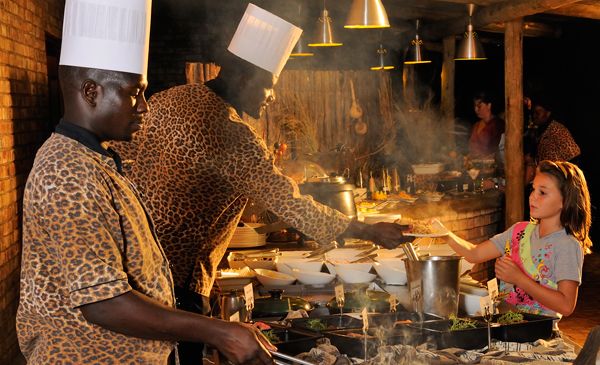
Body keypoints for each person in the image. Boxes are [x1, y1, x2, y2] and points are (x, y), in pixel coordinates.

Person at [112, 4, 412, 363]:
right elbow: (287, 200)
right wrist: (365, 229)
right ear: (246, 79)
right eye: (269, 87)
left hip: (130, 269)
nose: (270, 99)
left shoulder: (166, 100)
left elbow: (122, 156)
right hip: (178, 281)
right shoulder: (231, 131)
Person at [17, 1, 275, 364]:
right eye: (133, 93)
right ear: (91, 92)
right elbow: (106, 304)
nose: (144, 107)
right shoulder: (65, 171)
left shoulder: (98, 158)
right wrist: (219, 330)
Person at [436, 160, 592, 318]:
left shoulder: (567, 245)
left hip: (537, 331)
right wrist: (445, 235)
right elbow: (475, 254)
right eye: (533, 189)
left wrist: (518, 278)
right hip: (507, 323)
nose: (532, 197)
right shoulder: (519, 231)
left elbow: (566, 306)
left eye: (542, 192)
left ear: (565, 201)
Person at [524, 95, 581, 184]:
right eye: (533, 113)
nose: (534, 116)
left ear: (548, 113)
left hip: (559, 180)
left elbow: (574, 154)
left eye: (538, 113)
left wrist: (564, 178)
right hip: (546, 178)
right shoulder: (539, 130)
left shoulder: (557, 129)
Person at [468, 91, 505, 160]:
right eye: (475, 106)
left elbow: (499, 151)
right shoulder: (476, 126)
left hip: (490, 167)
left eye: (479, 106)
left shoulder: (498, 125)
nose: (476, 109)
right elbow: (470, 148)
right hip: (473, 167)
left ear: (489, 105)